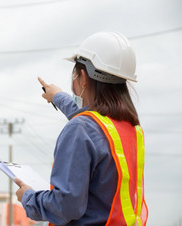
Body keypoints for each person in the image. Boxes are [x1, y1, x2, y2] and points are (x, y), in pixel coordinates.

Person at [15, 32, 148, 225]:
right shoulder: (131, 129)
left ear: (84, 78)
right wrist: (58, 97)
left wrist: (28, 198)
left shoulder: (81, 129)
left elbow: (65, 207)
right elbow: (93, 126)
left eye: (75, 75)